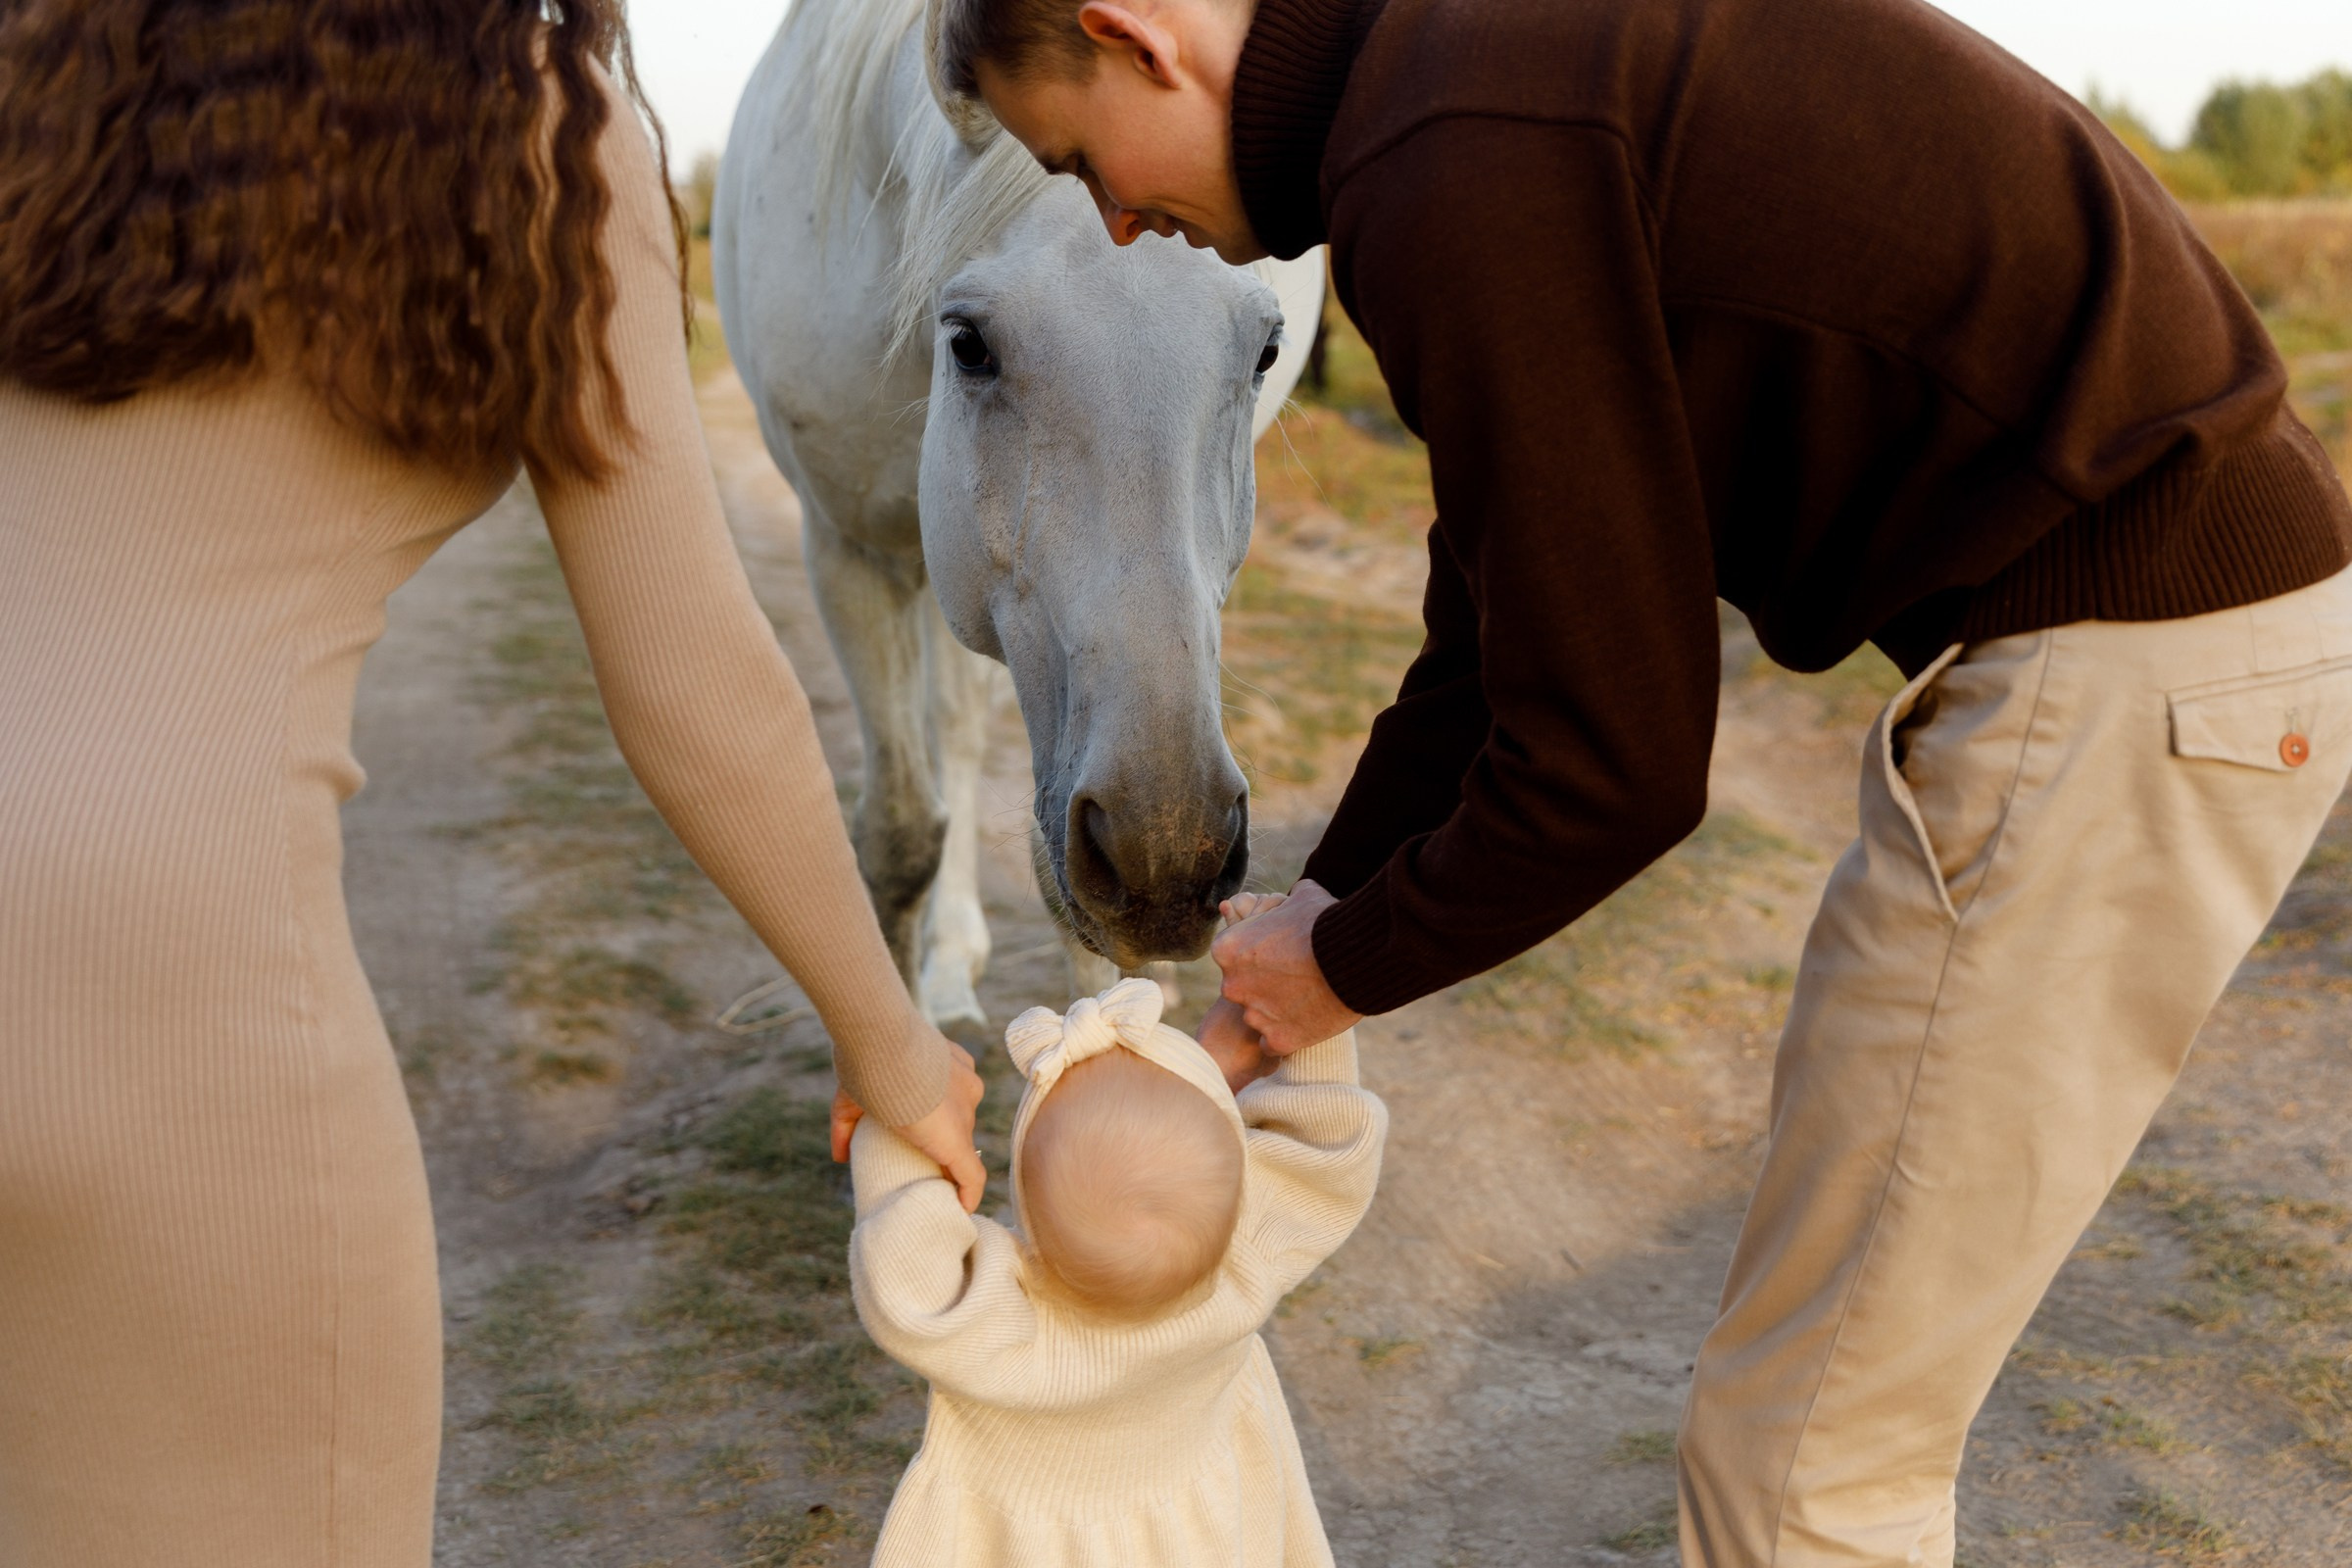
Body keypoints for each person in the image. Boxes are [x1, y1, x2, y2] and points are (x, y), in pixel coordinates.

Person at [925, 0, 2352, 1560]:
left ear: (1133, 31)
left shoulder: (1444, 144)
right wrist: (1330, 906)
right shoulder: (1452, 80)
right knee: (1815, 1402)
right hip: (2157, 643)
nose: (1118, 222)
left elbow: (1618, 759)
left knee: (1813, 1458)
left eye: (1080, 162)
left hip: (2141, 662)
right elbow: (1497, 631)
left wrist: (1343, 965)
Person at [0, 5, 984, 1562]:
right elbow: (695, 687)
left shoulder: (41, 67)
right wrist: (894, 1046)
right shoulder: (533, 130)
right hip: (164, 1008)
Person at [845, 953, 1385, 1567]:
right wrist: (1300, 1014)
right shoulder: (1245, 1264)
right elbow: (1328, 1145)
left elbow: (903, 1231)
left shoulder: (985, 1323)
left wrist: (898, 1102)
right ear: (1240, 1189)